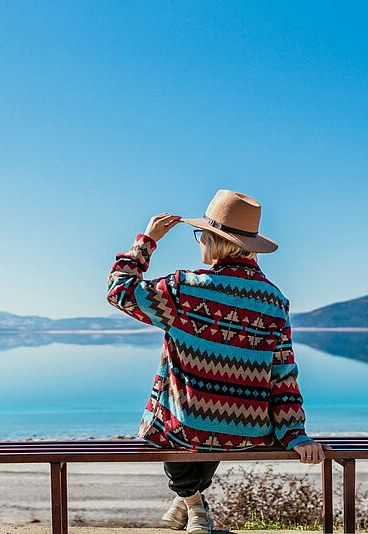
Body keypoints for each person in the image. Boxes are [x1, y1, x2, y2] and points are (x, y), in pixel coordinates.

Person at [106, 189, 330, 534]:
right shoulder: (274, 300)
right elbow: (283, 373)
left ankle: (194, 504)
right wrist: (295, 434)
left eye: (201, 236)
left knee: (177, 422)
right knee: (221, 413)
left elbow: (120, 290)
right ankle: (189, 503)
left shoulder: (184, 289)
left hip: (185, 428)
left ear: (212, 240)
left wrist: (146, 241)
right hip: (243, 434)